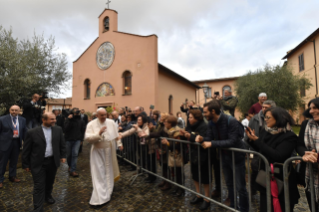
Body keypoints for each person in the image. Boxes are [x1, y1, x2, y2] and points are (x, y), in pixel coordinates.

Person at [246, 107, 300, 212]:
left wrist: (258, 141)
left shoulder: (289, 136)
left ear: (279, 118)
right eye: (265, 117)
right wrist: (252, 139)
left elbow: (278, 155)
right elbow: (261, 149)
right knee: (266, 207)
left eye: (268, 117)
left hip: (282, 180)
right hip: (266, 179)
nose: (265, 119)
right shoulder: (266, 131)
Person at [199, 100, 248, 212]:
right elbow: (209, 137)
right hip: (224, 157)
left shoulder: (231, 121)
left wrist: (211, 143)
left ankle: (244, 209)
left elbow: (232, 141)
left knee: (240, 187)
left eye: (205, 112)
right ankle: (233, 206)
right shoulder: (211, 122)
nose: (204, 114)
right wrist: (202, 138)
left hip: (237, 157)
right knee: (229, 183)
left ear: (213, 111)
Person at [22, 112, 67, 212]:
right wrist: (25, 164)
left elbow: (62, 144)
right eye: (51, 119)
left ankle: (48, 196)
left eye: (54, 119)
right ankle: (38, 207)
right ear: (43, 120)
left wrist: (63, 155)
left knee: (50, 182)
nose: (54, 121)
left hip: (52, 162)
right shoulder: (32, 132)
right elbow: (26, 150)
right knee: (39, 185)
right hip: (38, 163)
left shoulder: (58, 129)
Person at [84, 108, 123, 208]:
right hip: (97, 151)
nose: (104, 117)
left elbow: (116, 135)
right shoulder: (91, 124)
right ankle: (99, 198)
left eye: (105, 115)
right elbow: (87, 138)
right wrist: (99, 134)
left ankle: (108, 191)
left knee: (108, 171)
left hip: (109, 151)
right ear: (97, 115)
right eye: (101, 115)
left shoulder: (111, 122)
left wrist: (119, 144)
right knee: (99, 173)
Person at [180, 110, 211, 210]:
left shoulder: (204, 126)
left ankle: (207, 199)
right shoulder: (190, 125)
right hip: (194, 154)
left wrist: (190, 136)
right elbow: (188, 137)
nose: (189, 119)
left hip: (204, 155)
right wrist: (183, 134)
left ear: (197, 118)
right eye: (188, 117)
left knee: (205, 177)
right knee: (195, 175)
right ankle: (199, 195)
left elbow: (202, 138)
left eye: (191, 117)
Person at [244, 100, 276, 195]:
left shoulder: (277, 118)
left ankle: (269, 192)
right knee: (255, 170)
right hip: (257, 149)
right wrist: (248, 147)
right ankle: (253, 190)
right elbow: (248, 135)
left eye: (267, 107)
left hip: (271, 150)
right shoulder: (254, 119)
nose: (264, 109)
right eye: (263, 107)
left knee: (270, 172)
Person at [296, 98, 319, 211]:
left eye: (315, 107)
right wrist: (305, 154)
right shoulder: (306, 124)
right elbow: (299, 145)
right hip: (310, 174)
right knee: (313, 205)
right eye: (310, 108)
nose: (310, 111)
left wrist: (317, 157)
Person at [0, 105, 27, 189]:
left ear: (19, 111)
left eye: (16, 110)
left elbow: (24, 131)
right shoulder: (2, 119)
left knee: (14, 161)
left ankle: (12, 176)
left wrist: (26, 142)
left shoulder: (23, 120)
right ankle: (0, 179)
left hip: (16, 142)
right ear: (9, 110)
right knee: (2, 162)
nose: (14, 112)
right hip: (5, 143)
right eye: (12, 110)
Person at [119, 115, 150, 179]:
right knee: (140, 158)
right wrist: (122, 135)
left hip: (146, 145)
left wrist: (137, 128)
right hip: (139, 144)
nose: (138, 121)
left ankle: (147, 173)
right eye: (137, 120)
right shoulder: (136, 125)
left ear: (143, 120)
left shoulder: (146, 126)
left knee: (146, 159)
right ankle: (141, 170)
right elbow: (129, 132)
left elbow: (145, 134)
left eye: (139, 120)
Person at [64, 108, 86, 177]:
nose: (76, 114)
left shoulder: (81, 121)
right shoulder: (68, 120)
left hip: (77, 140)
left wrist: (81, 140)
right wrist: (69, 120)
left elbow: (82, 131)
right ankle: (70, 166)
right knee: (69, 155)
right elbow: (65, 129)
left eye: (77, 113)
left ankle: (73, 170)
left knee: (75, 154)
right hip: (68, 140)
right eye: (75, 113)